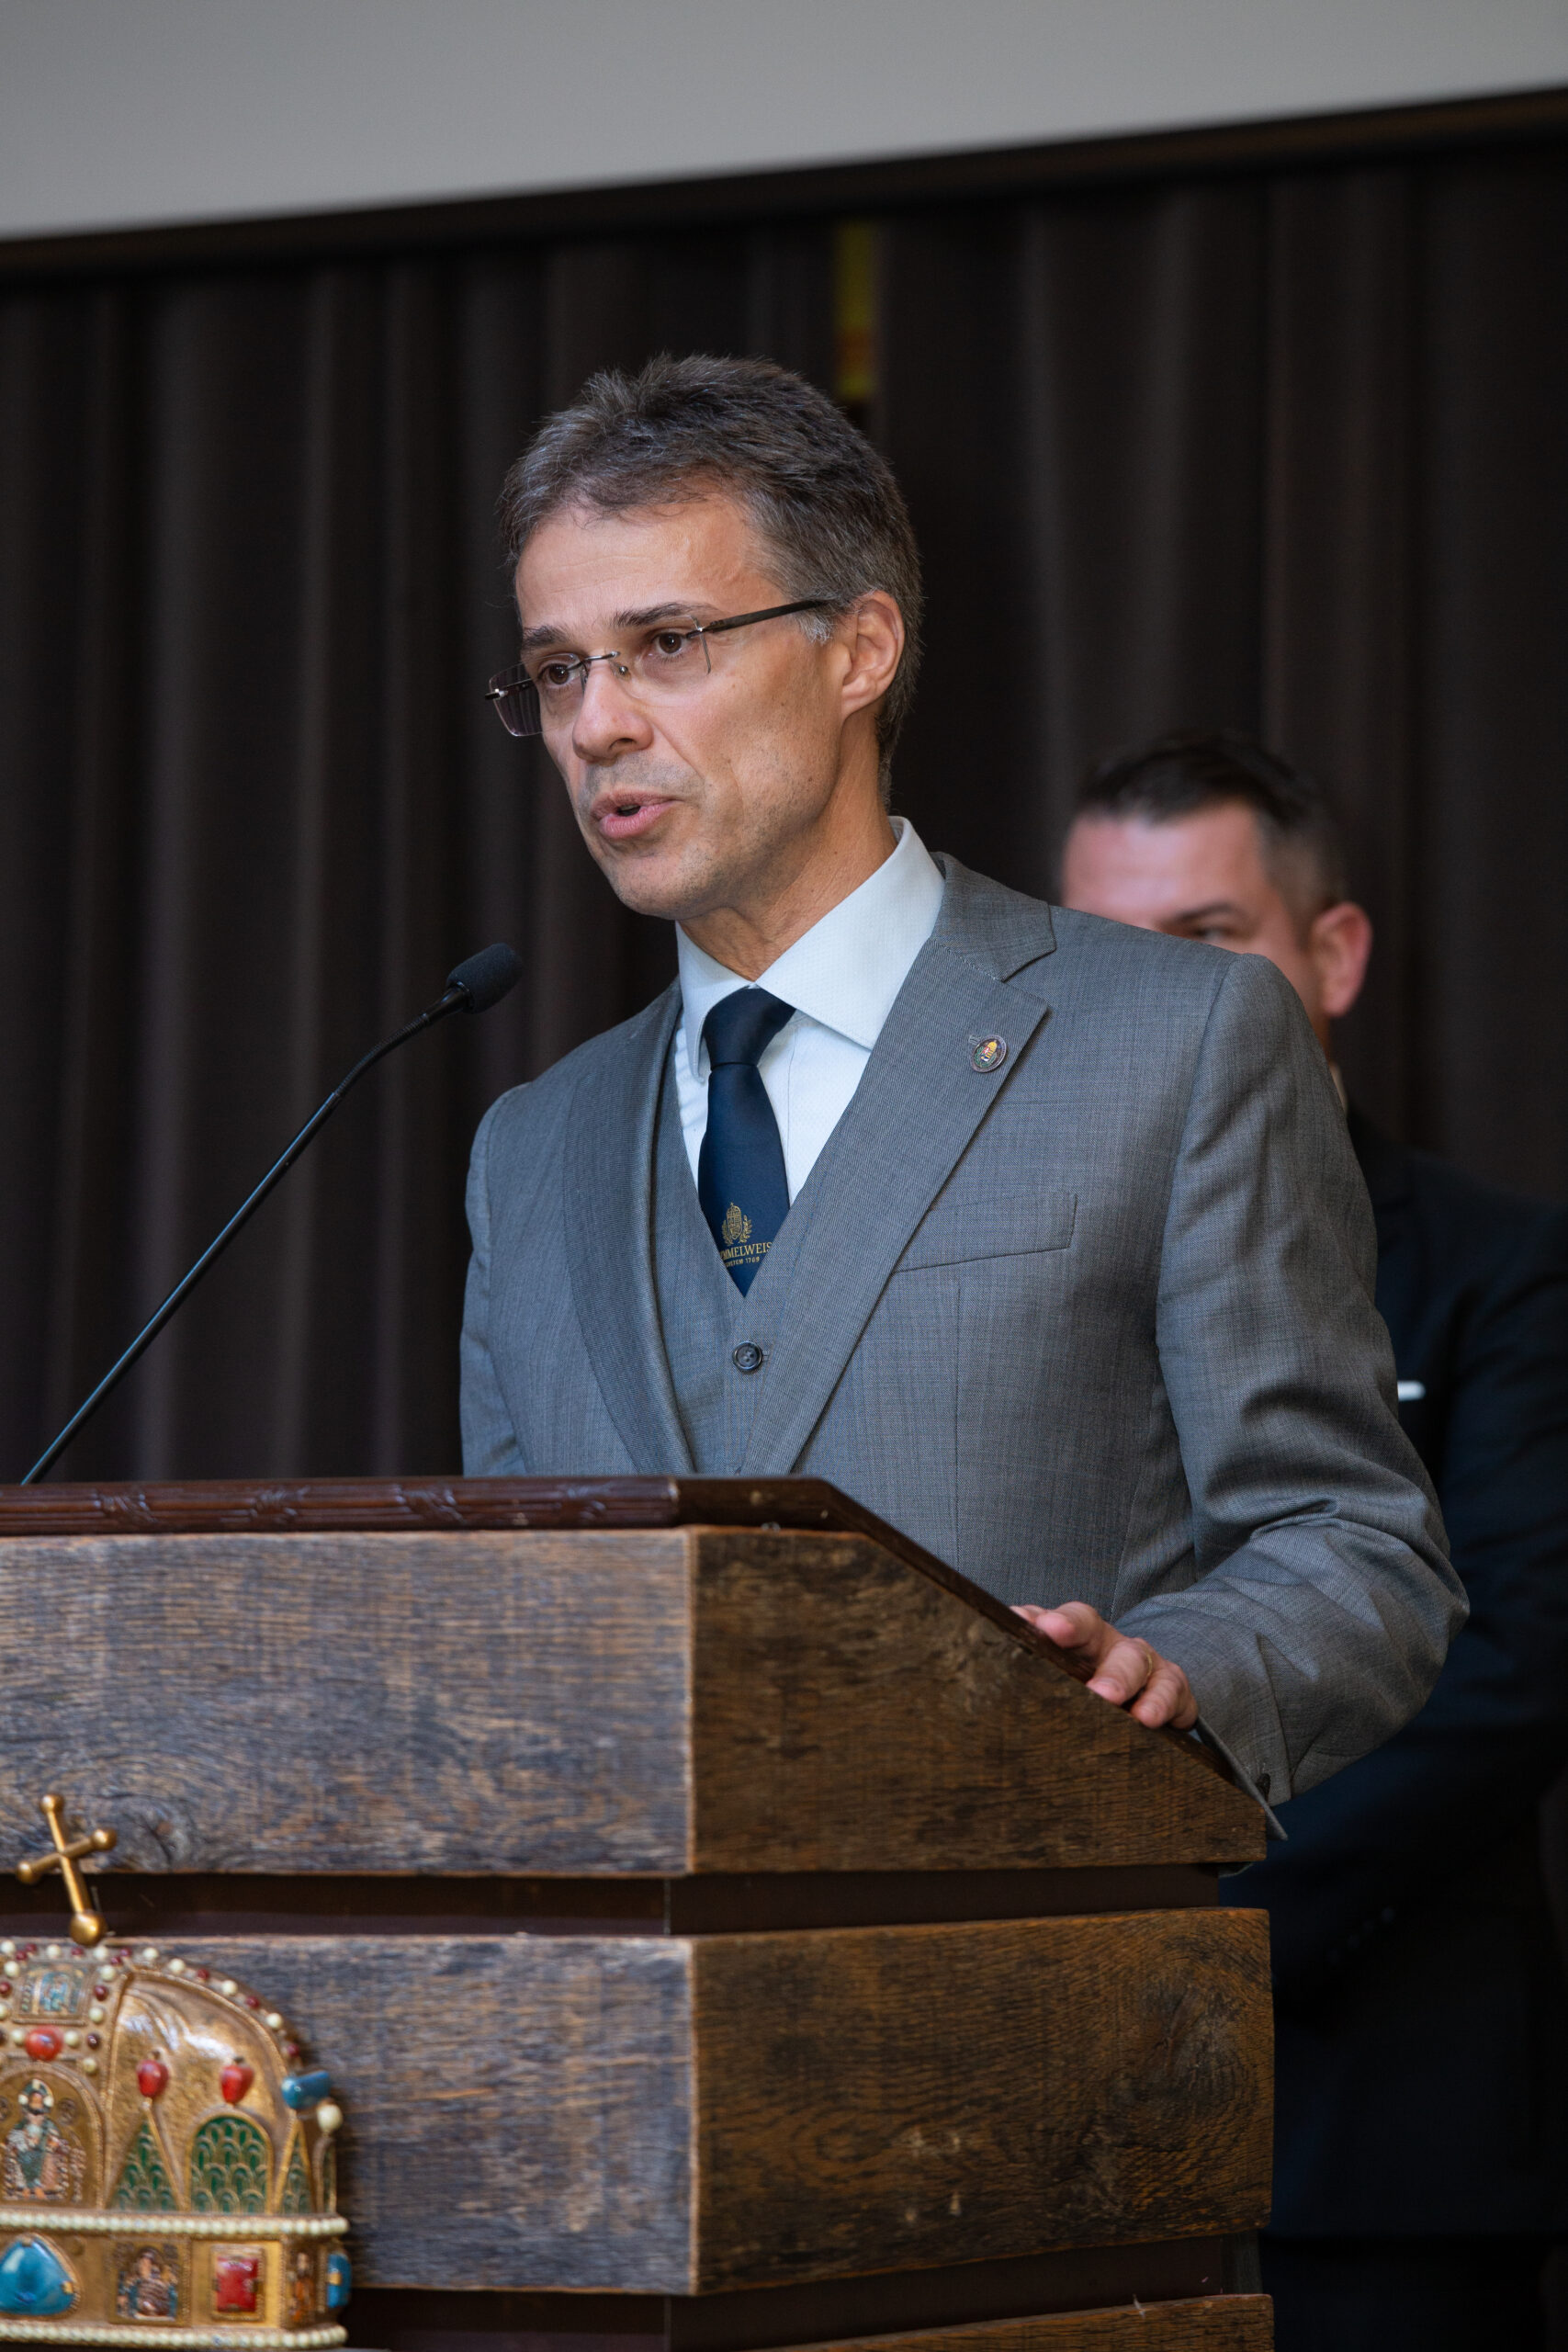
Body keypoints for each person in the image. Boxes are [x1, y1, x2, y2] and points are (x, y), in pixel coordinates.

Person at [461, 355, 1461, 1804]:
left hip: (1033, 1988)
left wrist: (1180, 1668)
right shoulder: (528, 1145)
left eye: (667, 641)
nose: (598, 722)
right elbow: (492, 1634)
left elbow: (1355, 1548)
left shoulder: (1178, 1043)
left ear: (859, 649)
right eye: (559, 668)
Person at [1061, 729, 1568, 2352]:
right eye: (1104, 954)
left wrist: (1183, 1942)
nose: (1157, 1001)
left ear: (1328, 954)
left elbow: (1510, 1665)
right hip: (1047, 2132)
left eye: (1206, 943)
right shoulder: (1015, 1273)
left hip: (1375, 2134)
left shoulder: (1505, 1271)